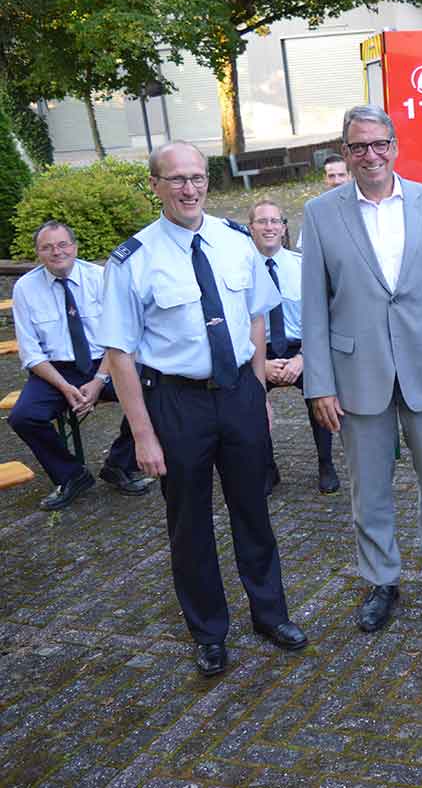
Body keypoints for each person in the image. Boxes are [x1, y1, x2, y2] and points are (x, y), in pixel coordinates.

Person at [99, 141, 307, 677]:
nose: (189, 189)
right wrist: (143, 435)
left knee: (253, 511)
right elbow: (120, 355)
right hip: (177, 402)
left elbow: (257, 319)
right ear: (155, 185)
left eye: (197, 177)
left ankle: (270, 614)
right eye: (176, 180)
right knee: (189, 523)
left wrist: (258, 395)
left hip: (238, 391)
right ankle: (209, 631)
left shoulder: (235, 241)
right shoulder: (133, 259)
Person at [302, 105, 422, 633]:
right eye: (358, 146)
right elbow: (314, 305)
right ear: (345, 153)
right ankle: (381, 578)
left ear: (395, 146)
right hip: (357, 373)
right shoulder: (320, 214)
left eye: (379, 143)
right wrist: (318, 384)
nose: (370, 155)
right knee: (370, 488)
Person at [10, 220, 153, 510]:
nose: (56, 252)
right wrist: (65, 387)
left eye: (63, 244)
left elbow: (123, 339)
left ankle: (119, 464)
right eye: (47, 247)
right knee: (23, 416)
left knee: (155, 392)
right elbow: (31, 353)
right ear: (38, 253)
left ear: (74, 247)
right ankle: (71, 475)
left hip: (105, 364)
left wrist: (98, 381)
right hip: (55, 371)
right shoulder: (25, 288)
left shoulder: (101, 278)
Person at [247, 199, 340, 495]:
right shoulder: (239, 268)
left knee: (321, 394)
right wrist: (259, 365)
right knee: (247, 403)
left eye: (275, 221)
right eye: (262, 221)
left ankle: (326, 463)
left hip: (302, 349)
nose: (269, 227)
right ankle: (265, 467)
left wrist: (303, 359)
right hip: (257, 352)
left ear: (284, 227)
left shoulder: (303, 266)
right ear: (251, 228)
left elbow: (322, 318)